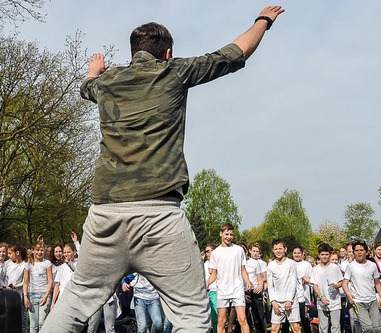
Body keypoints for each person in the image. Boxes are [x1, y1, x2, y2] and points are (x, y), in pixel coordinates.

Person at [41, 6, 284, 333]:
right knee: (191, 316)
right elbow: (236, 51)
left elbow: (86, 86)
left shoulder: (107, 82)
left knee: (77, 298)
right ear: (167, 54)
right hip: (159, 216)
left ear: (133, 53)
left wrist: (95, 69)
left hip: (105, 216)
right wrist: (263, 21)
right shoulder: (173, 72)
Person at [206, 223, 252, 333]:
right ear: (221, 234)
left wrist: (248, 281)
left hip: (237, 288)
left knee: (242, 319)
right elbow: (214, 274)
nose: (229, 237)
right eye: (226, 234)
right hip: (222, 289)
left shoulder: (238, 250)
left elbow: (243, 269)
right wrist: (206, 283)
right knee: (221, 320)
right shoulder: (216, 253)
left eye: (231, 234)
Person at [342, 240, 381, 333]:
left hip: (372, 300)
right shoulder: (350, 266)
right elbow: (345, 283)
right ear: (353, 253)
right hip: (359, 301)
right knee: (368, 328)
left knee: (377, 328)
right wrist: (349, 294)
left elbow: (377, 282)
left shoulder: (372, 265)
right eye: (356, 250)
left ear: (366, 252)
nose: (359, 252)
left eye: (361, 250)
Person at [267, 240, 300, 333]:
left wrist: (289, 300)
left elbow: (293, 282)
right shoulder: (270, 265)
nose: (278, 251)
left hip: (291, 301)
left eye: (280, 248)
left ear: (285, 249)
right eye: (276, 249)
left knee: (296, 327)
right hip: (277, 302)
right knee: (274, 328)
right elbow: (270, 285)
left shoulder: (291, 263)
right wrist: (273, 301)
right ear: (273, 251)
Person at [311, 243, 343, 333]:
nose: (324, 257)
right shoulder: (315, 269)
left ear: (329, 255)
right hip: (322, 302)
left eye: (326, 254)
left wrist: (336, 286)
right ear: (319, 255)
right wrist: (321, 297)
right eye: (322, 254)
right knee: (323, 327)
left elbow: (341, 281)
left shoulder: (335, 268)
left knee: (336, 327)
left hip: (335, 301)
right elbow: (315, 285)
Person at [24, 241, 53, 333]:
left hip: (44, 294)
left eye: (41, 250)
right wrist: (25, 297)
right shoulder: (28, 264)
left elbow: (50, 280)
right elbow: (25, 282)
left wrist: (46, 296)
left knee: (42, 322)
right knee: (33, 325)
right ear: (33, 251)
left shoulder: (47, 263)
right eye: (37, 250)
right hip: (32, 295)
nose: (39, 252)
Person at [292, 245, 312, 333]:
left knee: (304, 319)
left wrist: (306, 279)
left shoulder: (306, 264)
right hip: (292, 296)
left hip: (303, 296)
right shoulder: (290, 263)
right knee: (292, 321)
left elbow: (313, 279)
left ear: (302, 253)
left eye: (298, 253)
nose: (296, 255)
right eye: (295, 253)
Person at [204, 244, 218, 333]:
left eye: (208, 251)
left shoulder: (218, 262)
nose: (207, 253)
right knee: (206, 317)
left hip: (215, 291)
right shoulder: (205, 264)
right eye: (206, 251)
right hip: (206, 292)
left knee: (215, 317)